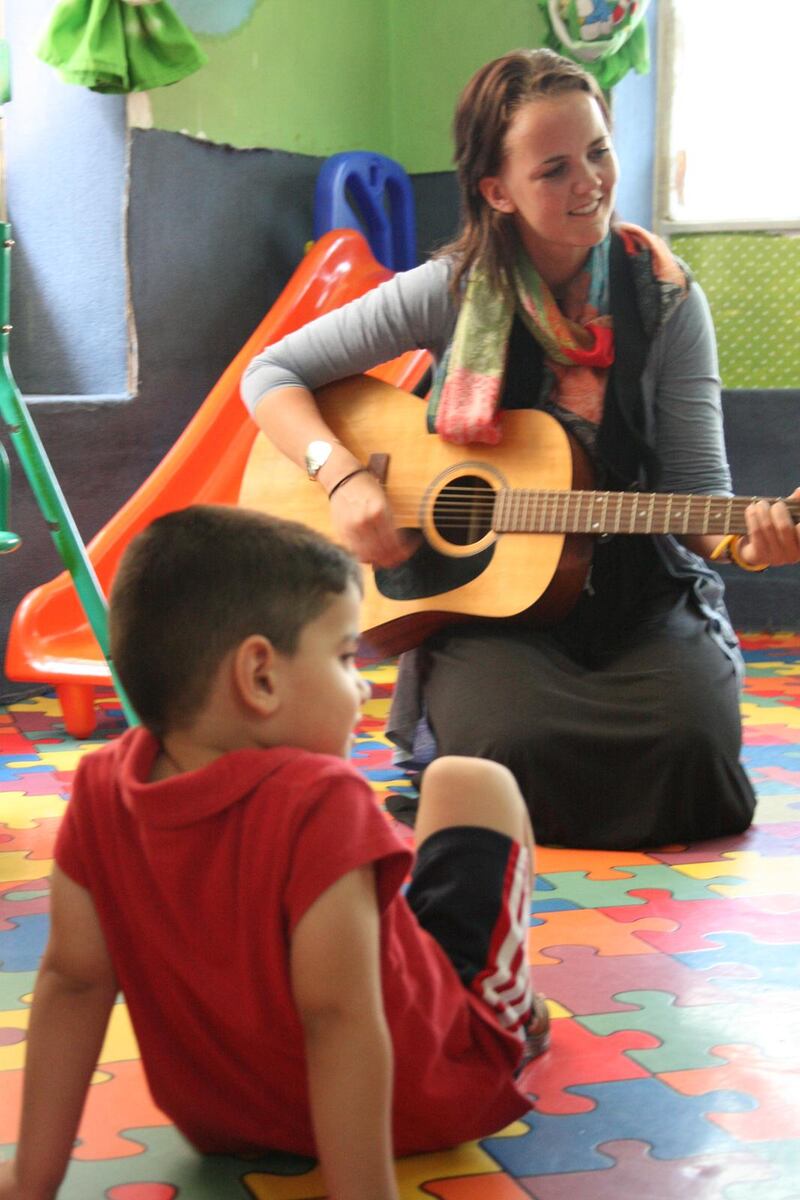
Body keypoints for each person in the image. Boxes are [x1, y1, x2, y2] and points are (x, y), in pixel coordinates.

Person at [240, 48, 800, 851]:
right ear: (496, 191)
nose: (591, 183)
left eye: (600, 153)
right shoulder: (453, 286)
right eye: (555, 169)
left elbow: (698, 493)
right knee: (505, 759)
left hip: (639, 595)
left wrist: (746, 543)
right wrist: (343, 478)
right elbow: (272, 374)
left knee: (694, 760)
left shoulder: (669, 298)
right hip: (492, 609)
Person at [0, 504, 550, 1200]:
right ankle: (518, 1014)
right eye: (346, 656)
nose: (365, 685)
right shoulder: (322, 800)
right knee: (470, 779)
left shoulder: (101, 788)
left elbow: (72, 983)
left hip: (229, 1117)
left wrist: (29, 1180)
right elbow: (341, 1019)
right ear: (260, 675)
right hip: (431, 1095)